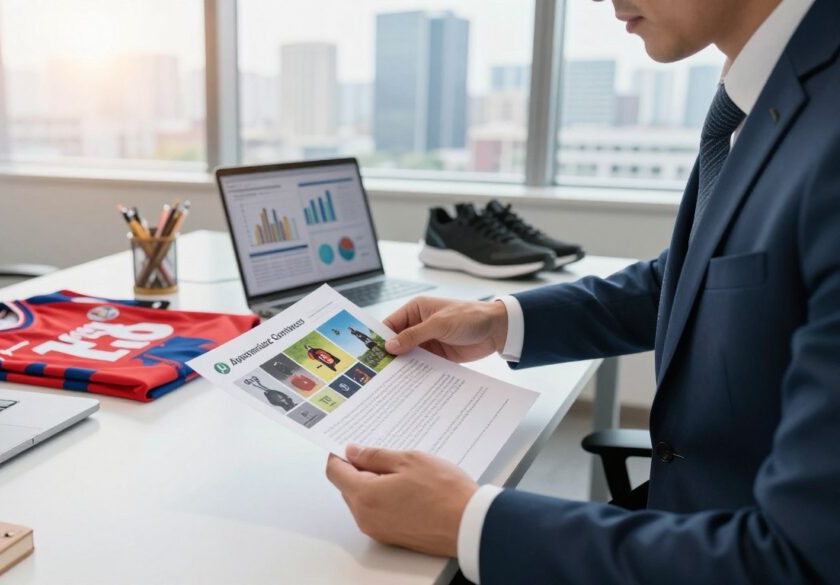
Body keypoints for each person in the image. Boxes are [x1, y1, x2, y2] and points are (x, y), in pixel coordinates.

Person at [325, 0, 840, 582]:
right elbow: (694, 277)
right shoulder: (768, 91)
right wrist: (500, 320)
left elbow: (802, 562)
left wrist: (467, 522)